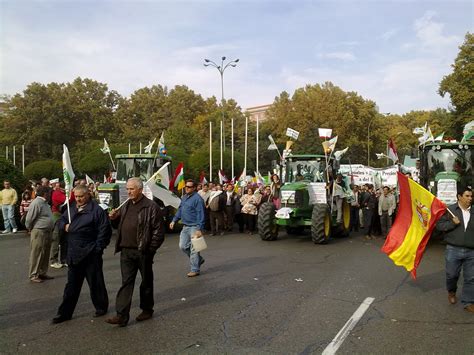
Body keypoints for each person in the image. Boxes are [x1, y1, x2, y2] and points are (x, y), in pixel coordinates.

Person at [106, 178, 165, 327]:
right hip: (126, 251)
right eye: (127, 189)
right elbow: (119, 226)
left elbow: (159, 232)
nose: (129, 192)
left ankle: (147, 309)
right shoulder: (125, 205)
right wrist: (114, 219)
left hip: (143, 251)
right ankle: (121, 315)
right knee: (126, 282)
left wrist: (150, 250)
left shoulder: (151, 207)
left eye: (132, 189)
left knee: (146, 282)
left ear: (140, 189)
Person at [51, 185, 112, 324]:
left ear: (88, 195)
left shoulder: (97, 211)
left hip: (91, 253)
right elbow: (60, 220)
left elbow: (104, 231)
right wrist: (64, 226)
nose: (78, 199)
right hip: (74, 253)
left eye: (81, 196)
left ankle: (101, 307)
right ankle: (64, 313)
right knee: (71, 286)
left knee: (96, 284)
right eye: (76, 196)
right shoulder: (70, 208)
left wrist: (98, 248)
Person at [436, 186, 474, 313]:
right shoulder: (449, 210)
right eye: (467, 196)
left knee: (471, 278)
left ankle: (468, 302)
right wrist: (452, 223)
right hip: (453, 249)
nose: (470, 199)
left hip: (471, 251)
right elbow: (440, 226)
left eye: (471, 196)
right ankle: (451, 292)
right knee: (452, 275)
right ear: (459, 197)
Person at [170, 179, 206, 277]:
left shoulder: (198, 199)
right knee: (183, 246)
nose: (187, 188)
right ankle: (199, 260)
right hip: (185, 227)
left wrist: (199, 228)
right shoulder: (184, 197)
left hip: (194, 227)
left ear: (194, 188)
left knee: (194, 249)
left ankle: (195, 269)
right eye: (186, 186)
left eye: (189, 187)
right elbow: (180, 210)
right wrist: (174, 220)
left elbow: (201, 214)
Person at [25, 186, 55, 283]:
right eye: (49, 193)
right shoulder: (37, 202)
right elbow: (29, 218)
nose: (50, 195)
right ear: (45, 193)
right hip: (39, 231)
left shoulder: (45, 203)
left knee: (45, 253)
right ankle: (33, 274)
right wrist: (30, 228)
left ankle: (42, 272)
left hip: (47, 231)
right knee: (37, 253)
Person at [50, 182, 67, 269]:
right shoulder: (57, 193)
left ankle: (64, 259)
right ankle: (54, 260)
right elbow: (65, 200)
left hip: (64, 217)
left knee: (64, 239)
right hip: (57, 216)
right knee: (56, 239)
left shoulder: (65, 193)